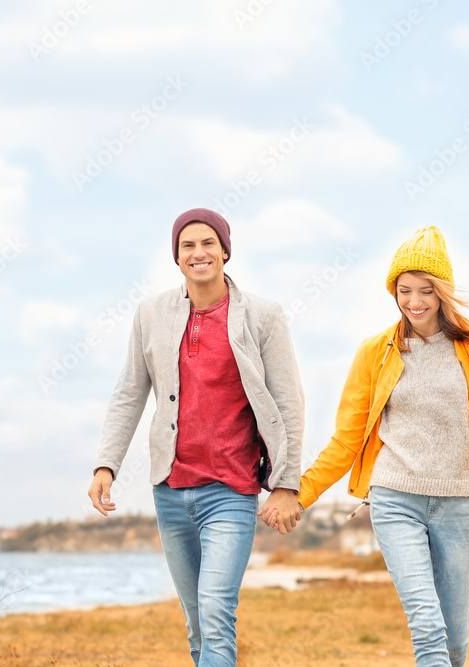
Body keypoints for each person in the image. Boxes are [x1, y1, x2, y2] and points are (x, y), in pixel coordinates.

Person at [262, 226, 469, 667]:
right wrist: (301, 491)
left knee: (453, 643)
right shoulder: (376, 352)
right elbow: (348, 437)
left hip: (460, 504)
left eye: (426, 290)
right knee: (427, 627)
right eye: (404, 290)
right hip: (395, 500)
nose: (414, 301)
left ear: (443, 292)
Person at [88, 207, 305, 666]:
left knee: (215, 610)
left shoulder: (263, 316)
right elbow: (130, 391)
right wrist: (106, 464)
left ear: (225, 251)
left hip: (231, 489)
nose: (198, 252)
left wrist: (287, 484)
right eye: (187, 245)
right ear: (176, 256)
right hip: (170, 490)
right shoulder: (151, 314)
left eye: (208, 243)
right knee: (197, 623)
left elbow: (288, 403)